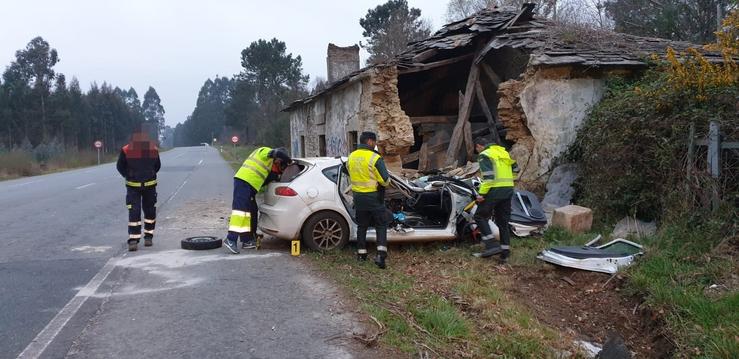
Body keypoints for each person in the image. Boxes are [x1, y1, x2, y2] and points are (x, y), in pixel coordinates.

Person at [224, 146, 291, 254]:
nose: (279, 164)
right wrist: (289, 161)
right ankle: (231, 239)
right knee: (240, 211)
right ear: (278, 158)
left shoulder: (269, 165)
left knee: (251, 211)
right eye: (280, 162)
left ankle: (247, 240)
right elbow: (277, 153)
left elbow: (265, 178)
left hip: (250, 187)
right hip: (243, 182)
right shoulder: (264, 152)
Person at [347, 131, 390, 269]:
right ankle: (380, 256)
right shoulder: (374, 158)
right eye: (375, 141)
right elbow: (385, 181)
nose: (376, 144)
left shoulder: (351, 156)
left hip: (358, 198)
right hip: (374, 198)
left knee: (362, 226)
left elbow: (348, 172)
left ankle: (361, 255)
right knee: (381, 224)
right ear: (370, 142)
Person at [117, 126, 161, 252]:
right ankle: (133, 240)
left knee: (148, 213)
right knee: (136, 213)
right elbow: (120, 166)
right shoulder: (126, 150)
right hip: (134, 187)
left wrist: (129, 175)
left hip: (148, 186)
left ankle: (148, 237)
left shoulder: (152, 149)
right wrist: (130, 176)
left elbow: (157, 166)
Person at [473, 136, 516, 262]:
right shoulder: (504, 153)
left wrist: (481, 194)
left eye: (477, 150)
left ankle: (491, 245)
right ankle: (505, 253)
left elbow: (489, 178)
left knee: (480, 216)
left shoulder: (484, 155)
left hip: (494, 190)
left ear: (479, 146)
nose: (478, 152)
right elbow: (516, 170)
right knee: (503, 221)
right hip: (508, 189)